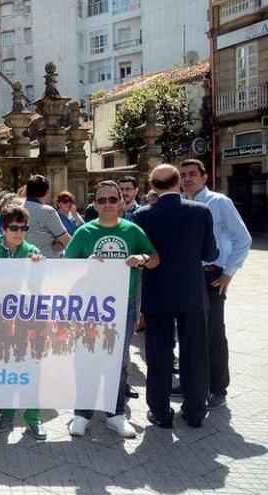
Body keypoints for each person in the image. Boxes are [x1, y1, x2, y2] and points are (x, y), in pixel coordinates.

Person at [65, 180, 159, 439]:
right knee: (85, 358)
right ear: (94, 204)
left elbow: (154, 259)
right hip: (90, 306)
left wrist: (141, 259)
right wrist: (86, 264)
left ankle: (116, 413)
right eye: (101, 200)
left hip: (122, 303)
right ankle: (82, 414)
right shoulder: (84, 232)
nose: (107, 204)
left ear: (121, 202)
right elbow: (65, 267)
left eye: (112, 199)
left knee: (117, 359)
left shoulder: (132, 230)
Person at [133, 165, 219, 428]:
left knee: (159, 353)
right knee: (195, 352)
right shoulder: (200, 211)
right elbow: (210, 253)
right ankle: (195, 410)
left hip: (157, 292)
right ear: (178, 182)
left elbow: (141, 253)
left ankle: (160, 412)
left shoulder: (142, 215)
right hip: (192, 292)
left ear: (152, 185)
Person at [179, 159, 251, 409]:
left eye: (192, 174)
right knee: (187, 333)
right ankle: (190, 382)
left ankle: (217, 388)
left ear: (204, 177)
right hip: (186, 276)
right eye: (183, 174)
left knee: (213, 334)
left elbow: (243, 239)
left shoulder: (219, 202)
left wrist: (229, 274)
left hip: (212, 276)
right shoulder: (180, 204)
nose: (187, 179)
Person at [0, 203, 46, 440]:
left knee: (31, 367)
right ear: (3, 228)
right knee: (6, 366)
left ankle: (33, 417)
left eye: (24, 227)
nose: (19, 232)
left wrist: (39, 269)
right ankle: (7, 413)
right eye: (14, 227)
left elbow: (39, 287)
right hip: (1, 319)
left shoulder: (32, 252)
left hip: (27, 319)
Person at [23, 175, 70, 258]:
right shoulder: (47, 211)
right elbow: (66, 240)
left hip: (21, 261)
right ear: (47, 192)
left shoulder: (18, 209)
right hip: (46, 263)